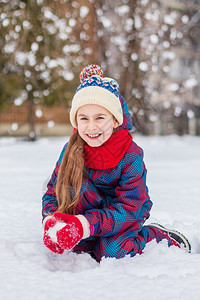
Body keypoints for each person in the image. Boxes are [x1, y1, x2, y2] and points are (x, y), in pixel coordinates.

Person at [42, 64, 191, 262]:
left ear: (114, 120)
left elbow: (130, 207)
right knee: (77, 232)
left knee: (111, 252)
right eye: (84, 118)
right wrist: (53, 222)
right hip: (90, 213)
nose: (91, 127)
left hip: (125, 214)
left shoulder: (130, 155)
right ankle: (90, 237)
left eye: (100, 117)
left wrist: (85, 224)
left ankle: (152, 236)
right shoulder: (71, 150)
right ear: (76, 122)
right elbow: (54, 190)